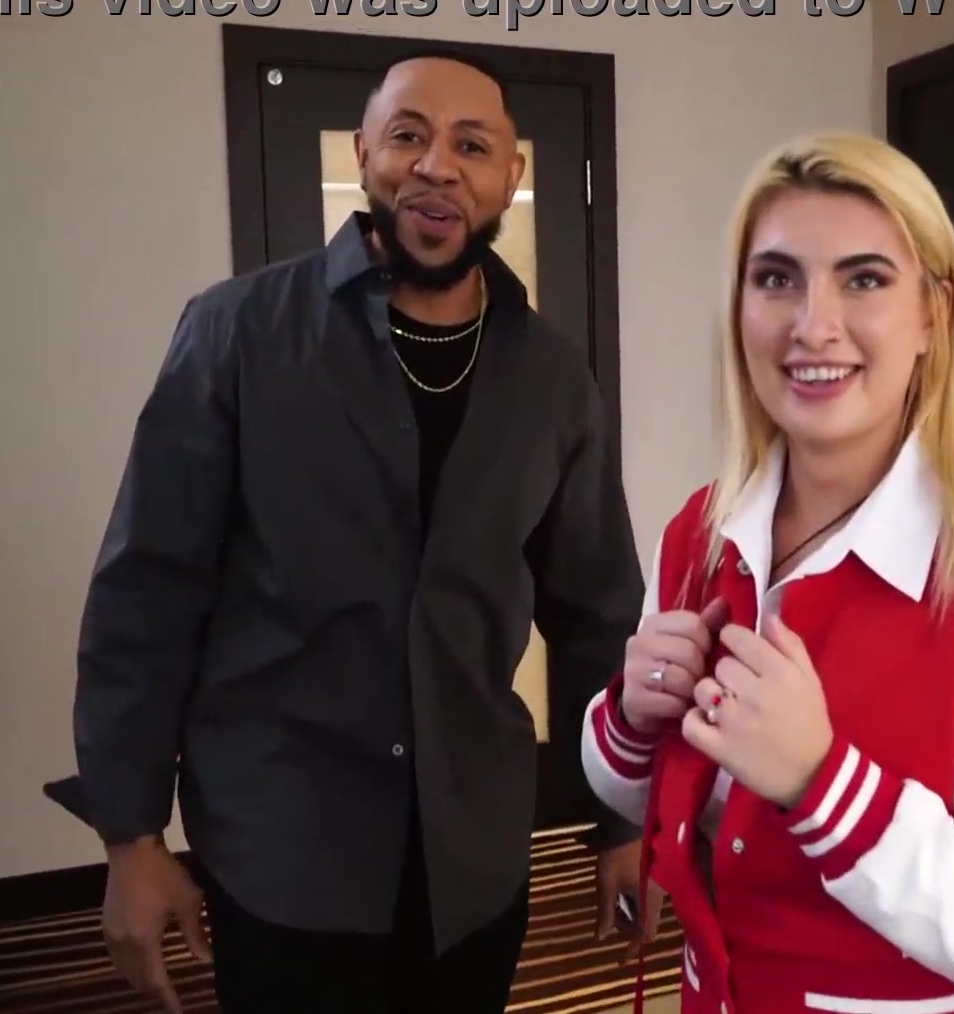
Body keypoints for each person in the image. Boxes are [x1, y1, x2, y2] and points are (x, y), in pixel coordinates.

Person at [73, 50, 647, 1014]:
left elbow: (598, 613)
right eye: (409, 136)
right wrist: (130, 837)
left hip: (473, 855)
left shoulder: (553, 379)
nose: (437, 166)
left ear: (511, 174)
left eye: (472, 145)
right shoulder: (236, 333)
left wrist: (624, 820)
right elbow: (148, 594)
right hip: (281, 849)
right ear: (364, 153)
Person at [580, 131, 954, 1013]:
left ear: (934, 314)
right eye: (776, 279)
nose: (812, 325)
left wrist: (820, 782)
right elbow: (635, 788)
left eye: (863, 280)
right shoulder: (700, 534)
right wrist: (632, 719)